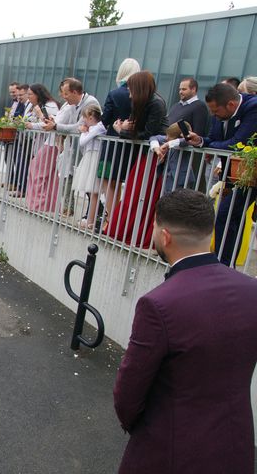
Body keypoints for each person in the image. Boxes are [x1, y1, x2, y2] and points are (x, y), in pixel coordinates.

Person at [114, 188, 257, 474]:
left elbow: (128, 394)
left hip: (170, 449)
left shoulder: (158, 304)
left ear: (165, 236)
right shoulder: (252, 291)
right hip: (236, 444)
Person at [186, 82, 257, 266]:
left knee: (226, 215)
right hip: (231, 176)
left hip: (248, 176)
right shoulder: (220, 111)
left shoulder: (253, 107)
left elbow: (237, 144)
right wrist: (200, 140)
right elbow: (216, 140)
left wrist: (208, 144)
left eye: (216, 111)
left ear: (231, 105)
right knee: (231, 217)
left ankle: (223, 265)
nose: (213, 115)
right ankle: (226, 264)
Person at [106, 71, 168, 249]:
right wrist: (125, 129)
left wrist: (122, 131)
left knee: (141, 195)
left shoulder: (156, 103)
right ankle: (123, 229)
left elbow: (148, 134)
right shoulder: (143, 102)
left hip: (155, 155)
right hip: (145, 154)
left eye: (131, 88)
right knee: (134, 194)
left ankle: (134, 232)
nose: (129, 92)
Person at [42, 78, 100, 214]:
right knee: (77, 180)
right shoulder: (74, 104)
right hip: (76, 148)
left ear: (75, 92)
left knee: (88, 184)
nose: (63, 97)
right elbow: (74, 126)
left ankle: (96, 213)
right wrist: (54, 123)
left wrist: (56, 126)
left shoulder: (90, 102)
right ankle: (83, 212)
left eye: (65, 93)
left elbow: (78, 127)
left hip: (88, 149)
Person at [99, 58, 141, 229]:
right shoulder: (141, 94)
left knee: (109, 183)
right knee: (126, 183)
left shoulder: (115, 93)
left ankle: (110, 220)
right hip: (132, 145)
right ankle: (120, 221)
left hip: (113, 144)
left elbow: (105, 119)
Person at [23, 83, 61, 209]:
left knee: (37, 170)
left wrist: (33, 124)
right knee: (48, 174)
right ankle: (45, 204)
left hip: (52, 143)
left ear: (37, 94)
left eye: (30, 94)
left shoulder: (50, 106)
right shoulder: (41, 105)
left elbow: (50, 123)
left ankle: (38, 203)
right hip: (48, 142)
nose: (28, 97)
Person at [72, 105, 107, 228]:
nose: (84, 121)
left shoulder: (98, 128)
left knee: (93, 191)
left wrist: (83, 132)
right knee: (91, 191)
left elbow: (82, 142)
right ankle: (91, 218)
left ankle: (91, 220)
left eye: (85, 118)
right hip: (90, 157)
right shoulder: (94, 128)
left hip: (94, 158)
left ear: (91, 117)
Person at [150, 121, 195, 194]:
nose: (166, 138)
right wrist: (156, 148)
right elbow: (153, 137)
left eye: (169, 137)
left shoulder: (187, 142)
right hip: (167, 178)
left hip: (181, 180)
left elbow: (186, 140)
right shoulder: (169, 139)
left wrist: (168, 144)